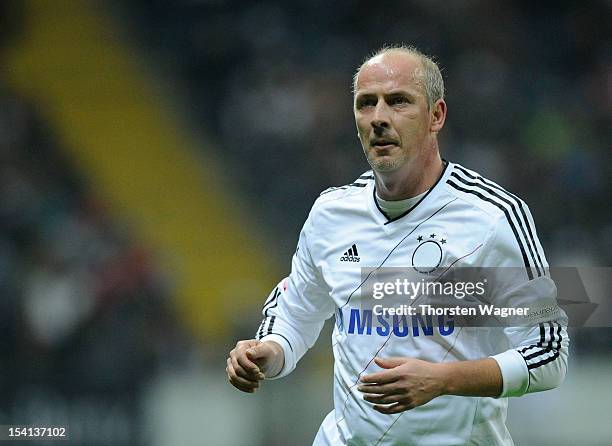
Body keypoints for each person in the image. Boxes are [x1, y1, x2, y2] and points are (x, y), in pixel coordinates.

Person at [226, 45, 569, 445]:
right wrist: (271, 351)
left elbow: (549, 353)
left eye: (398, 101)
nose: (379, 119)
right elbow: (297, 310)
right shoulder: (330, 213)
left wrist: (443, 380)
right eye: (365, 104)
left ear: (436, 115)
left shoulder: (493, 217)